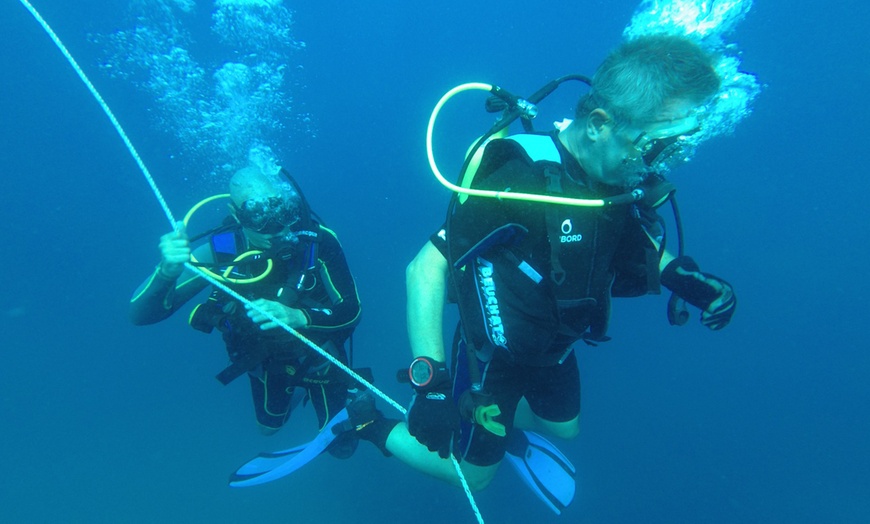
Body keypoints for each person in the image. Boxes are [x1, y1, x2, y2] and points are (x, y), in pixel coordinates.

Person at [347, 34, 738, 494]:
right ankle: (365, 424)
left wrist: (684, 280)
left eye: (670, 148)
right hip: (490, 358)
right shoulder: (519, 179)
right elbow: (425, 268)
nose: (655, 164)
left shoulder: (616, 178)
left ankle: (501, 425)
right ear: (598, 124)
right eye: (652, 146)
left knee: (566, 428)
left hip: (556, 345)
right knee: (476, 478)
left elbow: (632, 241)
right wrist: (430, 382)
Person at [130, 165, 362, 458]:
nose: (275, 226)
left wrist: (298, 317)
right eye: (257, 213)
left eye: (280, 209)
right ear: (237, 214)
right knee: (268, 429)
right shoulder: (224, 249)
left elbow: (352, 310)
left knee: (341, 449)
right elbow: (141, 316)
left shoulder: (316, 241)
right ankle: (297, 393)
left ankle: (339, 392)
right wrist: (166, 273)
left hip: (320, 356)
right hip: (265, 360)